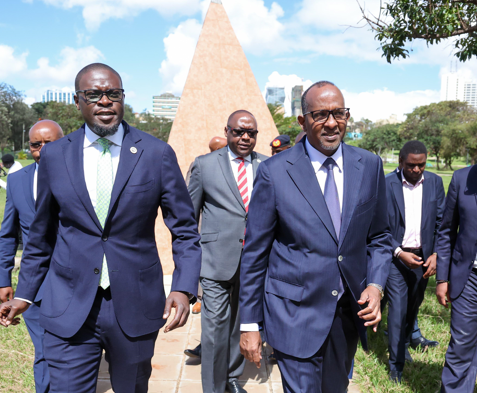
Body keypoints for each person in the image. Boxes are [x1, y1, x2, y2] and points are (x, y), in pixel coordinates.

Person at [0, 63, 201, 393]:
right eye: (94, 94)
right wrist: (24, 295)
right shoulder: (55, 156)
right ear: (78, 101)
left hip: (135, 305)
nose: (105, 101)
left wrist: (184, 287)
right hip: (68, 304)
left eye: (113, 94)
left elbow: (186, 231)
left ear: (122, 98)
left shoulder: (156, 154)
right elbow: (42, 236)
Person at [238, 81, 392, 392]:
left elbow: (381, 237)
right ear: (302, 121)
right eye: (321, 115)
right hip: (293, 313)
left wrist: (375, 285)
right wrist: (249, 323)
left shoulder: (370, 166)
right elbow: (255, 253)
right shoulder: (275, 171)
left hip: (347, 313)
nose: (332, 123)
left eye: (339, 113)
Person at [188, 110, 268, 393]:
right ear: (227, 131)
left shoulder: (268, 166)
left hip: (255, 263)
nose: (245, 137)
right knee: (213, 331)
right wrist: (190, 268)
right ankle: (213, 387)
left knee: (240, 323)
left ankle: (233, 377)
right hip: (215, 261)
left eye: (251, 133)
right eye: (239, 131)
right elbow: (189, 219)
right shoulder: (204, 165)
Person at [0, 120, 64, 393]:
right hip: (34, 285)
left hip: (77, 281)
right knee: (43, 349)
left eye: (51, 143)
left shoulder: (82, 177)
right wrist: (3, 278)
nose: (43, 150)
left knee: (70, 350)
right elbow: (8, 233)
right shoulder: (16, 181)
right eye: (36, 145)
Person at [384, 140, 445, 383]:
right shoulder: (386, 184)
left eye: (421, 165)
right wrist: (398, 252)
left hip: (423, 257)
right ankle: (396, 366)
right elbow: (379, 228)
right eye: (411, 165)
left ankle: (405, 342)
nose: (417, 170)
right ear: (401, 162)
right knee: (398, 308)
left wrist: (436, 254)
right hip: (396, 257)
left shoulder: (435, 182)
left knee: (413, 305)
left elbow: (442, 223)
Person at [436, 161, 477, 392]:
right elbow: (446, 231)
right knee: (461, 346)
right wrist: (442, 279)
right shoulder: (462, 178)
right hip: (470, 277)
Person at [184, 135, 227, 360]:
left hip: (236, 247)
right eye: (214, 150)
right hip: (207, 244)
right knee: (212, 303)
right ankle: (208, 348)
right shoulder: (201, 166)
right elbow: (189, 206)